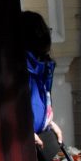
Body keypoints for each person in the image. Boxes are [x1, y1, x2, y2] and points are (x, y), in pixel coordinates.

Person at [19, 11, 63, 148]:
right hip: (23, 150)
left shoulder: (41, 68)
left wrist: (49, 124)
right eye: (45, 30)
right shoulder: (19, 71)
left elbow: (38, 108)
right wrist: (24, 133)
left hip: (37, 146)